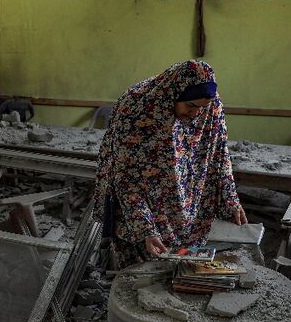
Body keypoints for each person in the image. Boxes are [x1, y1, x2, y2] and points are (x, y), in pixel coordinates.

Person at [92, 60, 247, 269]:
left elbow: (219, 152)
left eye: (202, 107)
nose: (196, 114)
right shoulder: (136, 108)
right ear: (173, 94)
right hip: (141, 195)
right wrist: (146, 228)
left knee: (181, 266)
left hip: (183, 194)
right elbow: (125, 177)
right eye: (191, 106)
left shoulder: (208, 105)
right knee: (139, 270)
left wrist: (230, 198)